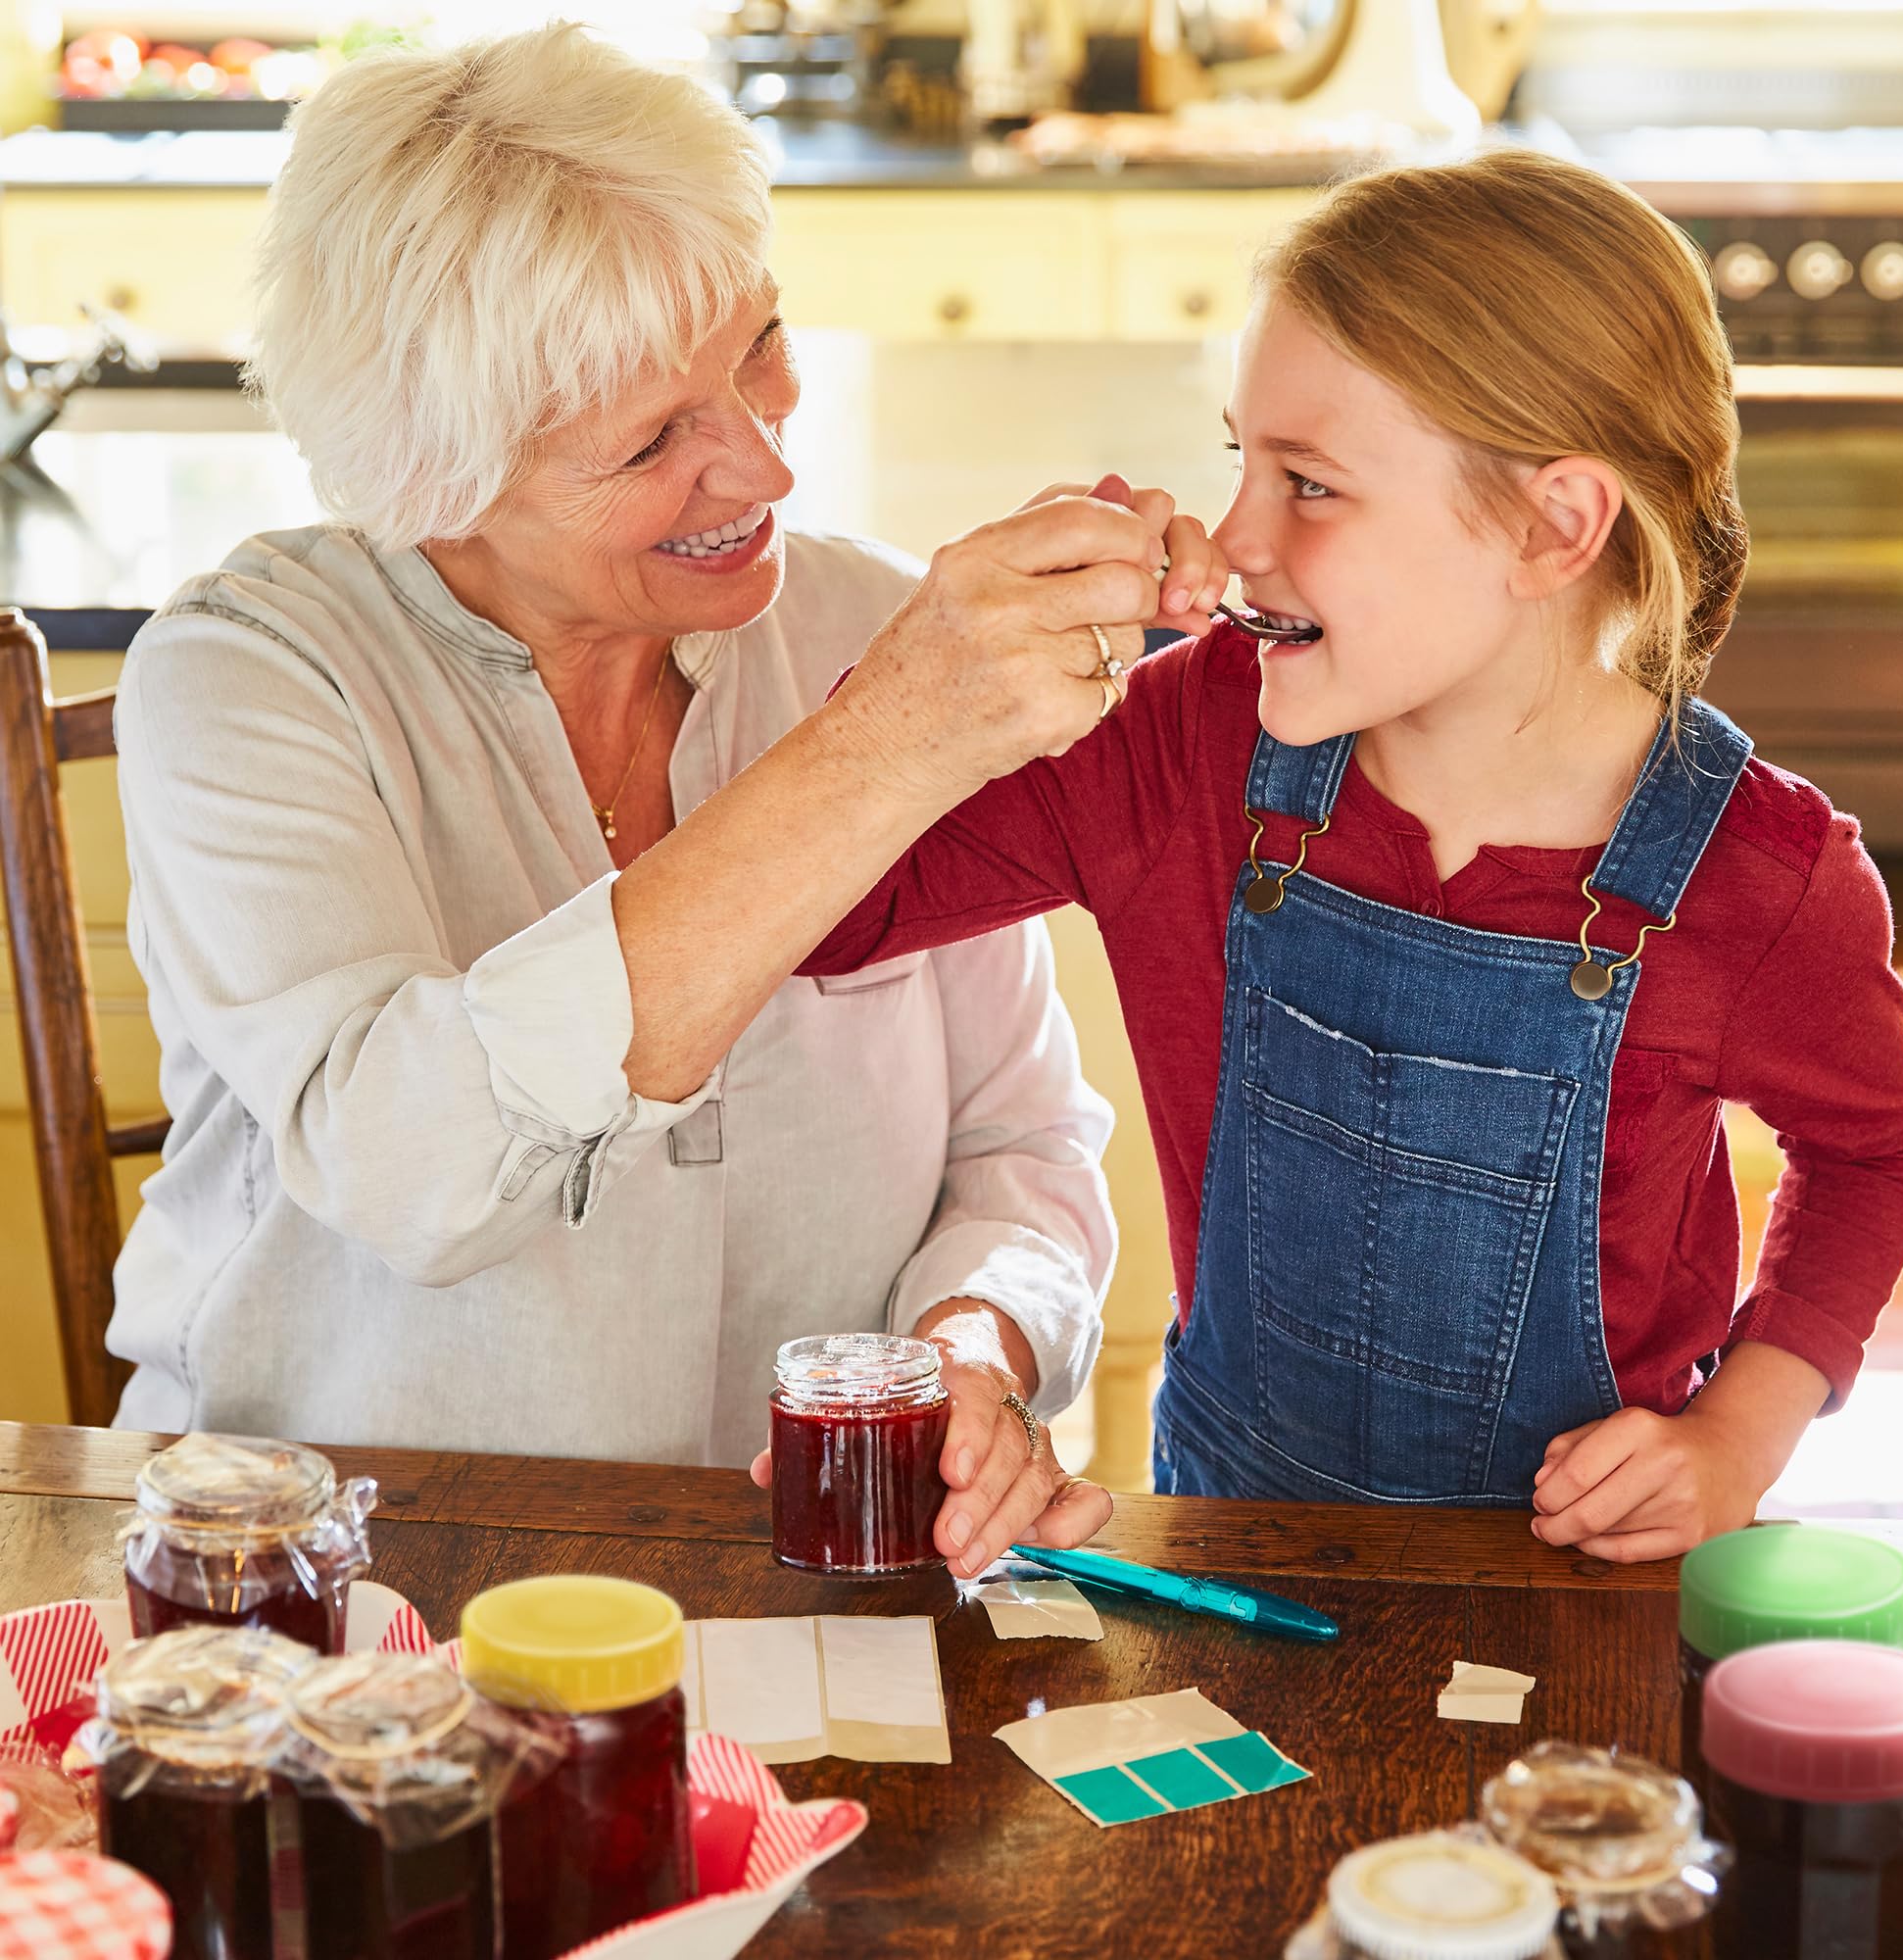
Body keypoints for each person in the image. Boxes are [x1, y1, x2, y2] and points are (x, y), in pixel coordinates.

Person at [106, 24, 1212, 1575]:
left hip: (818, 1569)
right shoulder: (246, 683)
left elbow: (1020, 1149)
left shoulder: (869, 632)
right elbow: (418, 1174)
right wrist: (881, 753)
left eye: (758, 347)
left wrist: (974, 1348)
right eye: (649, 440)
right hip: (347, 1582)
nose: (763, 468)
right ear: (436, 470)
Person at [798, 151, 1903, 1561]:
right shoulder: (1184, 742)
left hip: (1575, 1590)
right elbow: (825, 912)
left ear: (1552, 525)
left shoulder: (1762, 880)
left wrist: (1744, 1427)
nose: (1236, 539)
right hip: (1230, 1536)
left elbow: (1875, 1155)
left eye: (1311, 485)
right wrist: (960, 671)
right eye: (1240, 461)